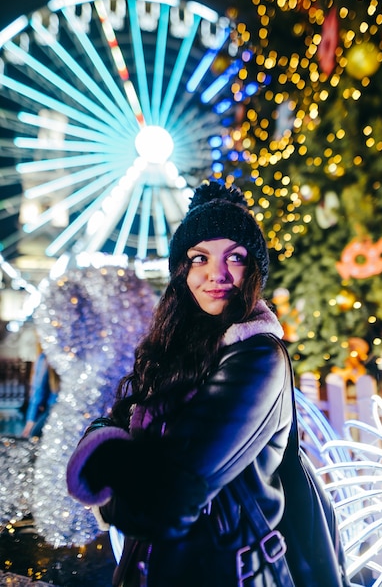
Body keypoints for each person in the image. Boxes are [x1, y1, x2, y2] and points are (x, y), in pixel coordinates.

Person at [66, 182, 352, 587]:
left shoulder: (257, 357)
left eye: (234, 257)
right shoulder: (175, 349)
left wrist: (103, 455)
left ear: (252, 269)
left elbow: (164, 501)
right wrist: (114, 450)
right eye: (200, 257)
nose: (215, 274)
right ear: (182, 270)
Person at [21, 347, 59, 438]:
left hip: (52, 409)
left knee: (34, 437)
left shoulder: (46, 357)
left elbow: (38, 391)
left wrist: (30, 421)